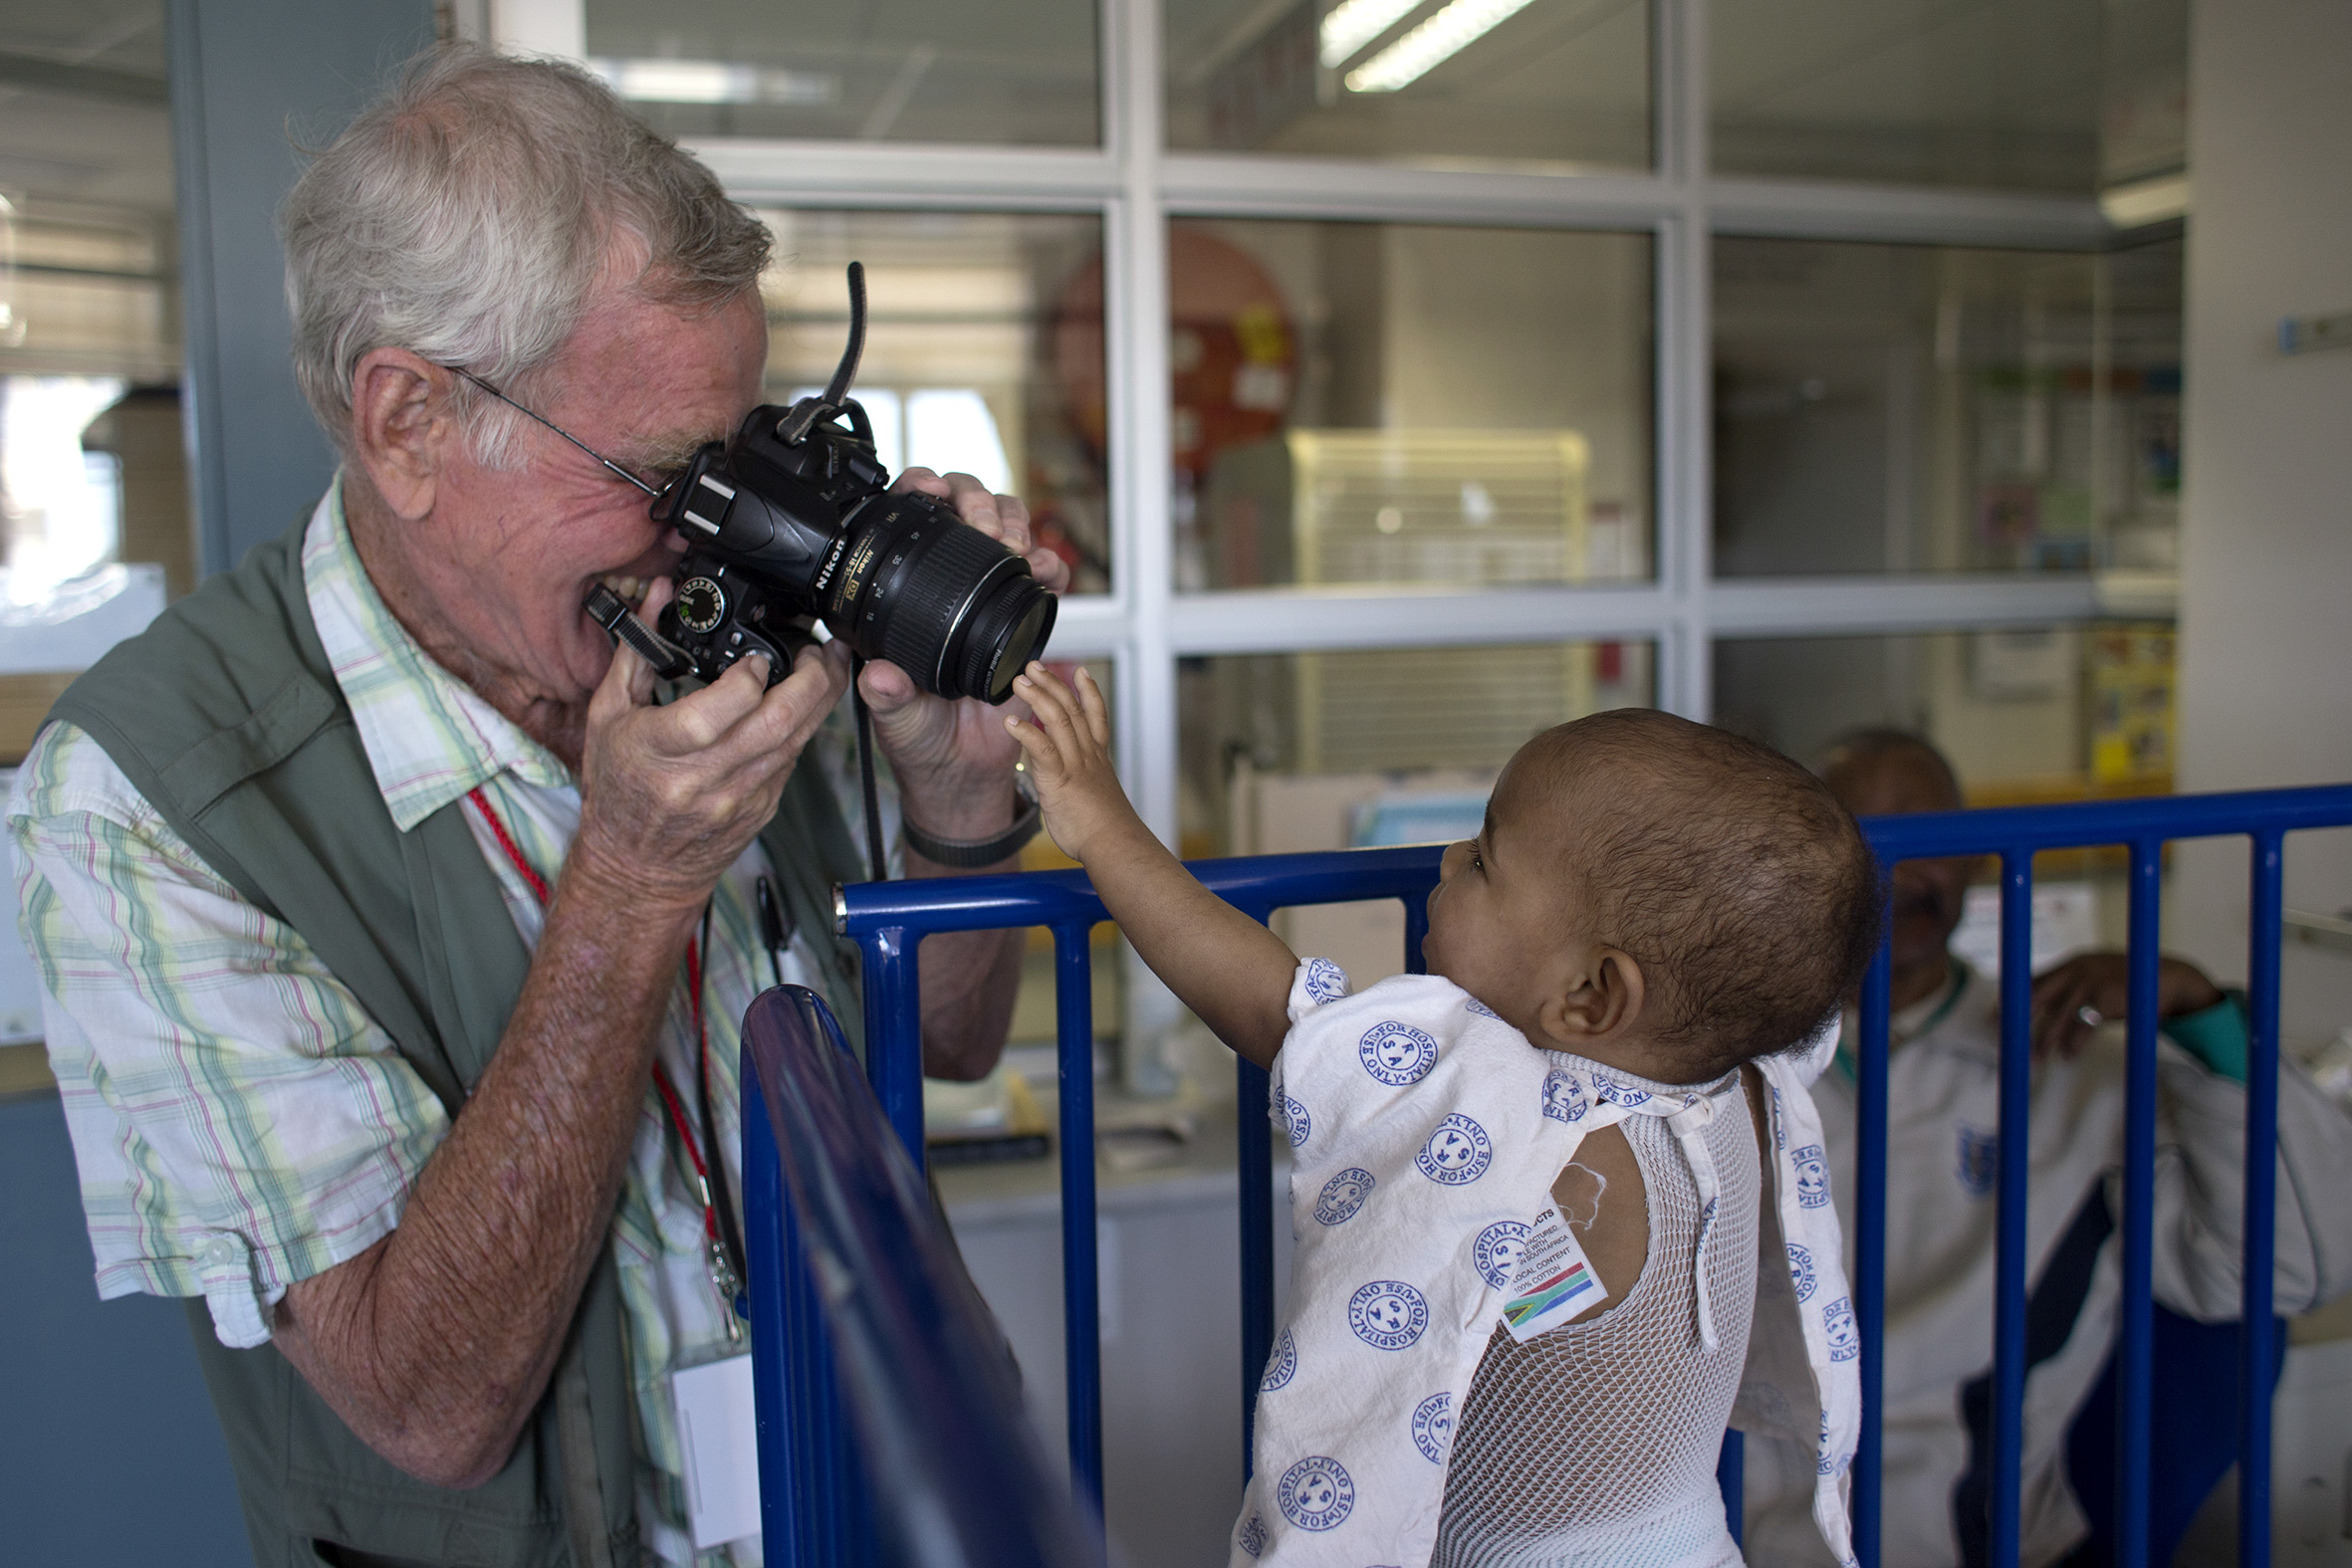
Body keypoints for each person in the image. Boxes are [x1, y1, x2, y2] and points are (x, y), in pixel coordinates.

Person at [7, 46, 1065, 1568]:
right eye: (666, 469)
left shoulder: (720, 631)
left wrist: (957, 795)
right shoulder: (139, 802)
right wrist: (631, 886)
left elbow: (950, 1041)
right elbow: (429, 1405)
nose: (726, 525)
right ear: (409, 426)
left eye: (745, 445)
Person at [1006, 670, 1880, 1568]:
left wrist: (1102, 825)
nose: (1446, 859)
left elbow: (1272, 1008)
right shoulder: (1745, 1089)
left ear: (1590, 994)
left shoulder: (1495, 1094)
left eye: (1485, 860)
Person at [1738, 730, 2352, 1568]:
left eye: (1927, 833)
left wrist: (2200, 1013)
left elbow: (2298, 1266)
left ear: (1980, 858)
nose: (1896, 868)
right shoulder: (1720, 1068)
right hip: (1721, 1520)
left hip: (1969, 1532)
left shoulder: (2081, 1066)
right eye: (1857, 833)